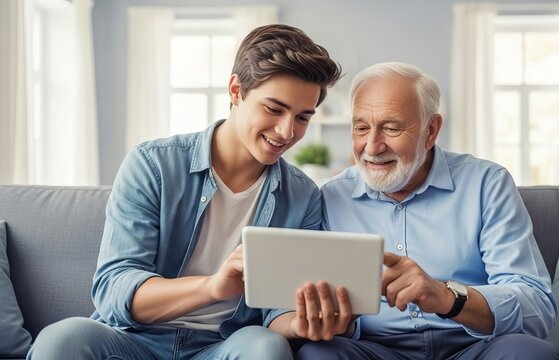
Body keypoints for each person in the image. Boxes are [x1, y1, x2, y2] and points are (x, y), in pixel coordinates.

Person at [28, 24, 341, 360]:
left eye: (303, 117)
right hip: (134, 341)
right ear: (236, 90)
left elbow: (276, 313)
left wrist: (301, 324)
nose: (286, 131)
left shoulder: (303, 196)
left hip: (225, 345)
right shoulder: (153, 165)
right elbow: (115, 288)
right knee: (64, 338)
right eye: (274, 109)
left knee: (266, 346)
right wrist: (212, 287)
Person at [295, 62, 559, 359]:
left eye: (391, 128)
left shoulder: (487, 183)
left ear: (430, 130)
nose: (372, 146)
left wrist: (449, 298)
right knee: (317, 354)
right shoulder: (332, 196)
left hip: (474, 349)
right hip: (375, 351)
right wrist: (333, 318)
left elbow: (537, 307)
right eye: (361, 128)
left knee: (527, 353)